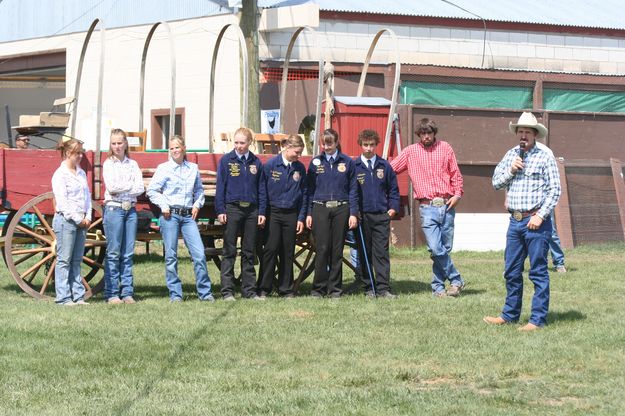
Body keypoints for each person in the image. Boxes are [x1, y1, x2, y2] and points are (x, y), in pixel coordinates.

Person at [485, 112, 561, 331]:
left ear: (535, 134)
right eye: (520, 131)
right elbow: (496, 183)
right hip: (515, 222)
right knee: (511, 270)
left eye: (528, 132)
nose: (524, 135)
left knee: (537, 271)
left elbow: (555, 190)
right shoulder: (511, 155)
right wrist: (511, 170)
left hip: (536, 221)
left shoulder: (545, 156)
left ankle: (536, 320)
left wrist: (540, 215)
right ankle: (509, 315)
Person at [391, 118, 465, 297]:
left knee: (444, 249)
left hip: (447, 204)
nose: (426, 136)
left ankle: (438, 288)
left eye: (429, 133)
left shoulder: (445, 148)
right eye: (423, 133)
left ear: (434, 133)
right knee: (434, 247)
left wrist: (457, 194)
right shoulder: (410, 152)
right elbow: (389, 170)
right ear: (419, 134)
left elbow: (455, 173)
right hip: (427, 207)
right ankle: (456, 279)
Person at [146, 135, 215, 302]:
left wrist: (197, 204)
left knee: (199, 254)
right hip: (170, 215)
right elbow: (152, 190)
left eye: (177, 147)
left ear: (183, 148)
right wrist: (163, 205)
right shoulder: (164, 168)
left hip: (188, 215)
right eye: (171, 148)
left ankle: (205, 293)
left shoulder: (193, 168)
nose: (174, 151)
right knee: (171, 256)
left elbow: (199, 190)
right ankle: (175, 294)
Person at [305, 128, 358, 299]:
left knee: (337, 249)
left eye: (330, 143)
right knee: (322, 248)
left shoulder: (347, 162)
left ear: (336, 142)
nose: (326, 147)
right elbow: (309, 190)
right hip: (320, 208)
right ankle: (318, 289)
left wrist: (353, 213)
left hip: (342, 208)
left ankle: (335, 289)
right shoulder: (315, 163)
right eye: (323, 143)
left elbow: (353, 190)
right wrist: (308, 213)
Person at [215, 127, 266, 301]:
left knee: (249, 251)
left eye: (242, 143)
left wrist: (262, 212)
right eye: (236, 142)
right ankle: (227, 291)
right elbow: (220, 187)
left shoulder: (256, 163)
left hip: (252, 210)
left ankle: (249, 291)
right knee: (229, 250)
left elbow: (261, 189)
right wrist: (220, 210)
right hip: (233, 208)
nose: (238, 146)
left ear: (250, 143)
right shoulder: (226, 161)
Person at [257, 135, 307, 298]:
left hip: (291, 214)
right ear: (286, 147)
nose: (298, 156)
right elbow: (262, 191)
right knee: (270, 250)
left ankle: (286, 289)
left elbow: (304, 194)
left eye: (300, 153)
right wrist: (262, 212)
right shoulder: (271, 165)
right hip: (273, 212)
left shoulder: (300, 168)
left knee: (288, 251)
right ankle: (264, 288)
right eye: (296, 152)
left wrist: (300, 217)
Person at [353, 129, 400, 298]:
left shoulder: (384, 165)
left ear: (376, 145)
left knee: (381, 253)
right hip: (362, 216)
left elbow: (393, 189)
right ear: (361, 145)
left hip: (381, 216)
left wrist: (392, 209)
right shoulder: (354, 166)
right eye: (366, 145)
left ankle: (383, 288)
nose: (369, 148)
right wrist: (354, 211)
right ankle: (368, 287)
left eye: (372, 145)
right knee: (365, 252)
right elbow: (351, 191)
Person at [102, 128, 145, 304]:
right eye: (114, 143)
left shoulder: (132, 164)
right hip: (114, 209)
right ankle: (112, 293)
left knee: (127, 253)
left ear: (125, 143)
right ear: (110, 145)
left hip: (130, 210)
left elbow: (140, 188)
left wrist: (124, 187)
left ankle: (127, 292)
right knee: (113, 252)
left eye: (120, 142)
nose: (117, 146)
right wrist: (130, 186)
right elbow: (111, 188)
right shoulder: (108, 164)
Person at [51, 138, 91, 306]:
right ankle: (63, 297)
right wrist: (78, 219)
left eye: (81, 152)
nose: (81, 156)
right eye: (77, 153)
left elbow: (87, 197)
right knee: (64, 260)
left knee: (76, 260)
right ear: (68, 153)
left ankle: (78, 296)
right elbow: (62, 202)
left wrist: (88, 216)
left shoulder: (81, 173)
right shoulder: (60, 174)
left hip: (81, 220)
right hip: (66, 220)